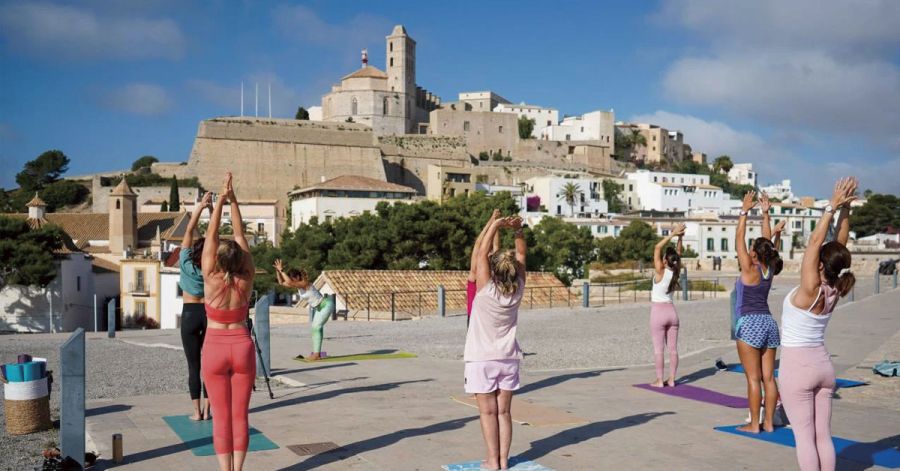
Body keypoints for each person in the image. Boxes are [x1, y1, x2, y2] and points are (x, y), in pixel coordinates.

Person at [780, 177, 857, 471]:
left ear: (821, 265)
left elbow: (816, 242)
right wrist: (846, 210)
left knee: (804, 437)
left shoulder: (811, 287)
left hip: (797, 368)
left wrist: (830, 207)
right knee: (823, 435)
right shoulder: (836, 288)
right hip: (823, 367)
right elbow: (839, 244)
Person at [201, 172, 256, 471]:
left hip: (214, 348)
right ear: (240, 261)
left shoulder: (210, 276)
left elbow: (211, 236)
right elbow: (239, 236)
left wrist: (220, 201)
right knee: (240, 416)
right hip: (242, 345)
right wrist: (234, 201)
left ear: (218, 261)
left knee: (221, 417)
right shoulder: (246, 277)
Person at [464, 215, 526, 471]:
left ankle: (492, 461)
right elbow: (521, 255)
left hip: (481, 359)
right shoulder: (518, 289)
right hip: (509, 359)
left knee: (488, 414)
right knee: (504, 414)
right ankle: (503, 460)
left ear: (492, 270)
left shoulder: (485, 289)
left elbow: (480, 254)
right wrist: (518, 229)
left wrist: (494, 225)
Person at [733, 190, 784, 433]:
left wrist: (743, 212)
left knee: (753, 379)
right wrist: (765, 214)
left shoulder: (749, 268)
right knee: (769, 378)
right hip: (769, 324)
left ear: (754, 253)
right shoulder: (769, 268)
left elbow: (739, 237)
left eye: (752, 249)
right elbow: (767, 242)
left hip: (750, 324)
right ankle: (769, 424)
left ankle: (754, 425)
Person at [179, 191, 213, 421]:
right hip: (208, 314)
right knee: (210, 365)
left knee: (194, 366)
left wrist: (200, 207)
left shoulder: (184, 259)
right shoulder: (210, 267)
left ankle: (196, 412)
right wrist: (213, 210)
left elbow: (189, 230)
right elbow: (214, 234)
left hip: (190, 313)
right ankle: (210, 410)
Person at [273, 259, 335, 360]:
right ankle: (317, 353)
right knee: (315, 328)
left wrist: (282, 270)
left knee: (316, 327)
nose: (292, 282)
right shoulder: (298, 285)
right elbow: (281, 282)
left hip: (326, 305)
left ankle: (316, 354)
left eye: (293, 279)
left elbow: (288, 281)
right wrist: (278, 271)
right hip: (319, 308)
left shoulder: (304, 283)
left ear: (297, 277)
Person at [649, 223, 685, 387]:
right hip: (672, 313)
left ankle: (659, 380)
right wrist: (680, 238)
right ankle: (671, 379)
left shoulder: (660, 271)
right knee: (673, 349)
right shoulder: (675, 271)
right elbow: (678, 256)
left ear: (664, 260)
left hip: (658, 313)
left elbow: (657, 247)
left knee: (659, 349)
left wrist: (673, 234)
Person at [467, 209, 501, 326]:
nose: (490, 252)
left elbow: (495, 245)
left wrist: (494, 223)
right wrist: (492, 221)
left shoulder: (485, 274)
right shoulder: (477, 275)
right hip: (480, 318)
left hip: (485, 317)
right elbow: (479, 243)